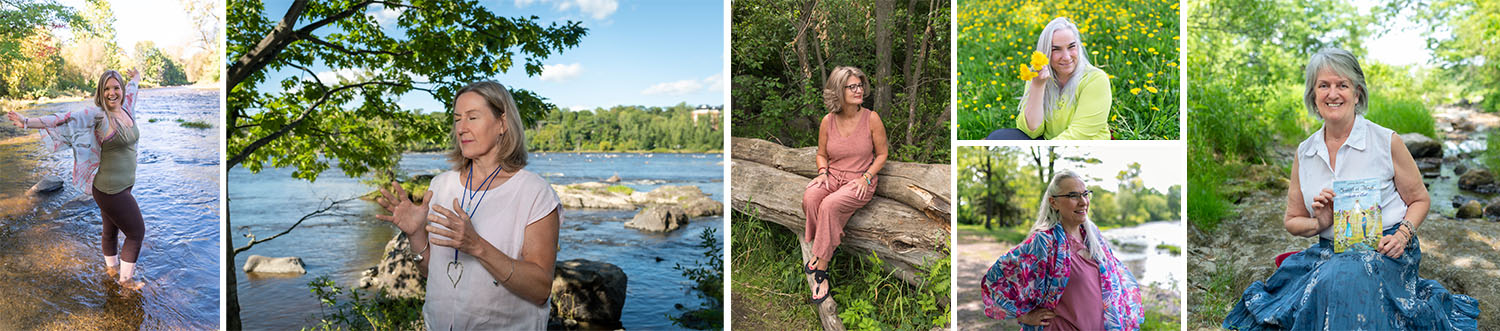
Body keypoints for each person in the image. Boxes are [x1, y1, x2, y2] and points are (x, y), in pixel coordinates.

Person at [1221, 48, 1480, 330]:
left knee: (1343, 279)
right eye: (1324, 85)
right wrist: (1319, 222)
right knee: (1334, 277)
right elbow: (1292, 221)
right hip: (1331, 251)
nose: (1333, 93)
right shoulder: (1305, 152)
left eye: (1342, 85)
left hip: (1387, 250)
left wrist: (1403, 236)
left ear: (1357, 94)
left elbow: (1419, 199)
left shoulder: (1386, 141)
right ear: (1313, 95)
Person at [375, 81, 562, 329]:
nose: (461, 128)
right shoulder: (441, 185)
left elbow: (540, 289)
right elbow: (436, 273)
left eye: (472, 117)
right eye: (457, 119)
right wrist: (416, 234)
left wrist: (477, 246)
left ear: (502, 123)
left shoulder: (534, 193)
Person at [7, 69, 147, 290]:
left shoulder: (127, 109)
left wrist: (135, 78)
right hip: (110, 189)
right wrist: (26, 122)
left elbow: (132, 91)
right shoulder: (98, 115)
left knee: (110, 231)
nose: (112, 93)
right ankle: (126, 282)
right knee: (136, 232)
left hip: (123, 186)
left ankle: (111, 269)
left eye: (116, 87)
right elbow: (62, 119)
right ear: (100, 92)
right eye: (107, 89)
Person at [980, 170, 1143, 330]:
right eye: (1073, 195)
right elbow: (996, 279)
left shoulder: (1093, 236)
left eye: (1085, 194)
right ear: (1054, 202)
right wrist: (1024, 315)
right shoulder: (1044, 241)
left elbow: (1117, 278)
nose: (1083, 201)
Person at [801, 66, 889, 304]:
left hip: (860, 180)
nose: (859, 90)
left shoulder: (871, 118)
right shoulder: (827, 121)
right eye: (852, 86)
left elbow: (882, 154)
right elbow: (821, 154)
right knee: (810, 197)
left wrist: (866, 177)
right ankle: (827, 246)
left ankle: (821, 268)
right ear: (839, 91)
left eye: (860, 85)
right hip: (833, 176)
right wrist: (822, 172)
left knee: (829, 206)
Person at [987, 17, 1112, 140]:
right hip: (1050, 145)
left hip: (1085, 148)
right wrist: (1038, 86)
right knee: (998, 137)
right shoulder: (1037, 74)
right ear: (1045, 52)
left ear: (1078, 47)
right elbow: (1031, 131)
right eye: (1056, 49)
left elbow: (1080, 134)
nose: (1067, 57)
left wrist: (1048, 152)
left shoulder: (1096, 79)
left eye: (1071, 47)